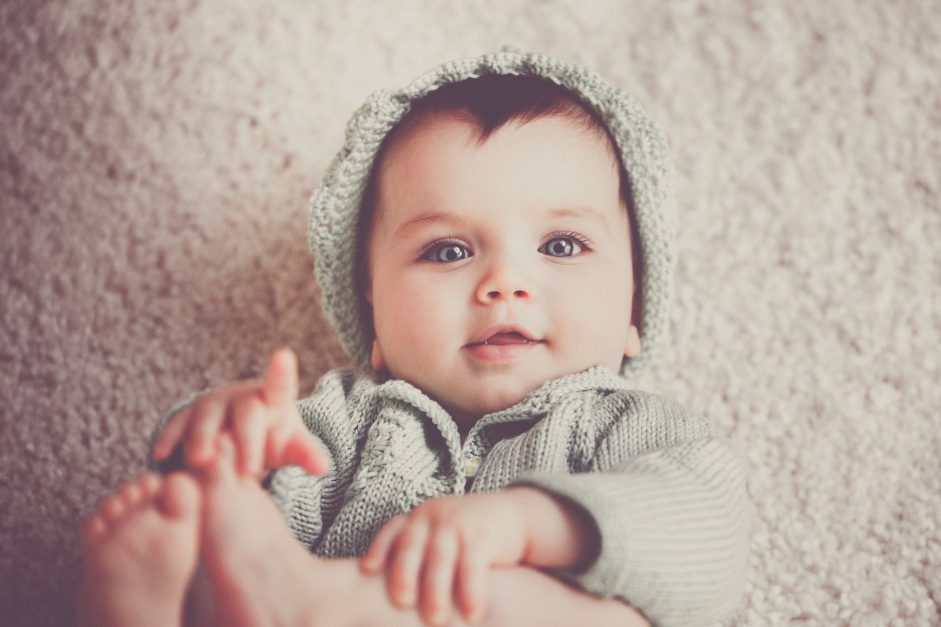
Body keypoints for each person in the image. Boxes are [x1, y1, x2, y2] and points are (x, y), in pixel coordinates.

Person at [77, 47, 749, 626]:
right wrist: (225, 446)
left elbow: (708, 539)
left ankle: (316, 600)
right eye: (448, 251)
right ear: (373, 314)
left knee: (582, 613)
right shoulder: (343, 424)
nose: (504, 283)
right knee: (218, 521)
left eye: (561, 244)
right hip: (286, 605)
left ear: (634, 307)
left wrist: (527, 522)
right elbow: (260, 526)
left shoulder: (626, 428)